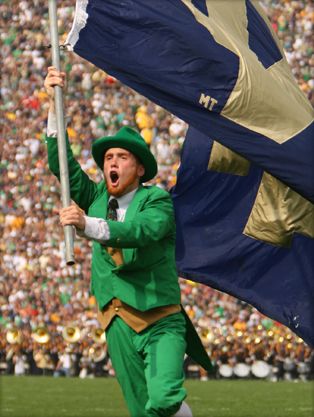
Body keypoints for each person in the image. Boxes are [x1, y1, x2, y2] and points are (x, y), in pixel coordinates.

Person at [43, 67, 211, 417]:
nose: (111, 163)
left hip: (159, 317)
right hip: (116, 318)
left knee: (164, 398)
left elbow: (138, 232)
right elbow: (63, 167)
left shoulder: (157, 201)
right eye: (107, 158)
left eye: (121, 157)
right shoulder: (97, 196)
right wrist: (52, 106)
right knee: (142, 411)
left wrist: (86, 224)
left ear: (139, 168)